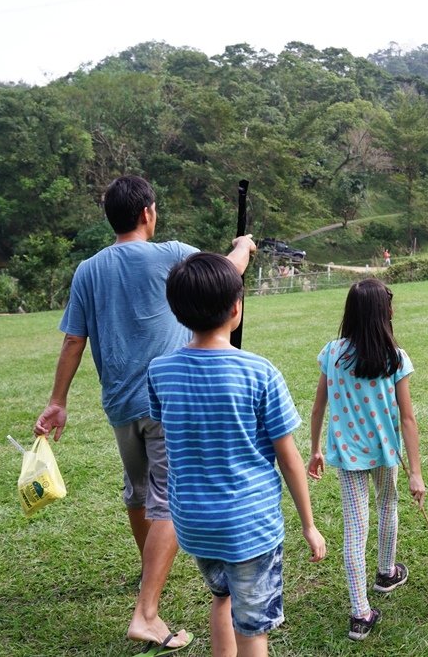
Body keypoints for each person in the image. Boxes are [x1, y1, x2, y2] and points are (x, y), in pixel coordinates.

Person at [34, 175, 256, 653]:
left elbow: (74, 339)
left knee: (140, 494)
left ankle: (150, 572)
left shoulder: (88, 270)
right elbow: (223, 273)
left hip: (118, 404)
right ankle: (147, 612)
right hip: (166, 399)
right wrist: (244, 246)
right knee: (169, 500)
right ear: (148, 213)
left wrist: (58, 400)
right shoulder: (170, 253)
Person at [148, 252, 327, 656]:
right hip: (248, 526)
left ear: (177, 312)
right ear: (235, 308)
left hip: (195, 525)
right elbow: (289, 457)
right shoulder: (260, 372)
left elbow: (171, 430)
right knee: (253, 631)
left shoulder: (160, 371)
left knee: (222, 597)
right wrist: (309, 525)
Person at [307, 278, 426, 641]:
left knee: (355, 529)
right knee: (387, 507)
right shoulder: (394, 357)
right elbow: (407, 418)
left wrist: (315, 449)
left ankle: (361, 612)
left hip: (347, 453)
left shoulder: (333, 353)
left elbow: (318, 407)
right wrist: (416, 473)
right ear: (382, 312)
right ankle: (386, 572)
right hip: (385, 451)